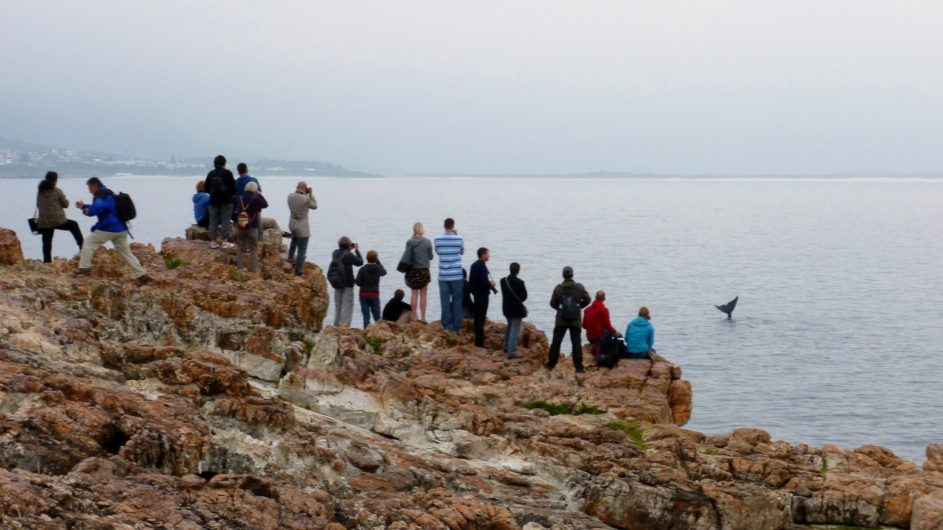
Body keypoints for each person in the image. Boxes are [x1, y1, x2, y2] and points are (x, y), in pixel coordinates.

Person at [74, 177, 150, 285]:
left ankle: (84, 268)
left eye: (90, 188)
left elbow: (97, 208)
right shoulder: (108, 193)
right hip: (121, 229)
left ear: (95, 186)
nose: (89, 190)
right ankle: (142, 275)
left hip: (109, 228)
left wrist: (87, 211)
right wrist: (84, 206)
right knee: (126, 253)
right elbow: (103, 207)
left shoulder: (101, 196)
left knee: (88, 243)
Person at [547, 266, 591, 373]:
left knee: (556, 342)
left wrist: (560, 309)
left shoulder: (558, 288)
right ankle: (578, 367)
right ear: (572, 275)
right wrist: (579, 307)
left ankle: (551, 365)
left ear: (563, 275)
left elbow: (552, 303)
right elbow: (588, 299)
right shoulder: (579, 288)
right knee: (576, 343)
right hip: (575, 320)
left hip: (561, 320)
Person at [35, 171, 83, 263]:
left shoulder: (40, 192)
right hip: (58, 221)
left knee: (47, 242)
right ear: (55, 180)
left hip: (44, 222)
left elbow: (38, 204)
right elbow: (65, 204)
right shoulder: (57, 191)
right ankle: (82, 246)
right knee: (74, 225)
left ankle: (47, 261)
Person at [433, 218, 464, 332]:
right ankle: (456, 327)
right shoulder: (459, 239)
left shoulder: (437, 240)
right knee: (457, 301)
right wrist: (456, 235)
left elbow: (438, 252)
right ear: (453, 226)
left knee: (444, 300)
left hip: (443, 275)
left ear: (444, 226)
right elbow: (461, 252)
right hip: (456, 275)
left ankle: (446, 326)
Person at [233, 182, 268, 272]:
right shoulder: (255, 199)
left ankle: (239, 268)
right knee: (253, 248)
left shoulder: (240, 198)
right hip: (253, 226)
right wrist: (260, 195)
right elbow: (265, 204)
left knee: (240, 247)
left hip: (241, 224)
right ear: (255, 189)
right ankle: (253, 268)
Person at [402, 222, 433, 322]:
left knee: (414, 293)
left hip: (413, 271)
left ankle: (414, 317)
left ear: (414, 230)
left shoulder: (409, 242)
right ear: (422, 230)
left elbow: (407, 257)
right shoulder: (427, 242)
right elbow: (431, 257)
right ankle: (423, 317)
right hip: (424, 270)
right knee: (423, 294)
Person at [205, 155, 237, 249]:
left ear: (214, 163)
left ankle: (212, 241)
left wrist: (212, 193)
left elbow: (206, 187)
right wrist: (229, 195)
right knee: (225, 221)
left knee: (213, 221)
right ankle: (224, 241)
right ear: (224, 163)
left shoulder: (211, 173)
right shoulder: (228, 173)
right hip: (226, 201)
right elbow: (233, 187)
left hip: (213, 201)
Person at [331, 236, 364, 327]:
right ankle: (344, 327)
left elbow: (344, 257)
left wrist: (349, 249)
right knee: (347, 305)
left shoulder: (335, 253)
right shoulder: (349, 255)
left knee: (338, 305)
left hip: (337, 282)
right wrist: (356, 250)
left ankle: (336, 325)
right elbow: (360, 262)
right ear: (348, 245)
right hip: (347, 283)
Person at [287, 181, 318, 276]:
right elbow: (315, 206)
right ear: (305, 188)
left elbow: (296, 195)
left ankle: (290, 258)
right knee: (302, 250)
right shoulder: (306, 199)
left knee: (294, 241)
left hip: (292, 225)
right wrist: (311, 194)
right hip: (302, 227)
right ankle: (299, 271)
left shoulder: (290, 196)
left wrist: (303, 191)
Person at [468, 247, 496, 348]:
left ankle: (477, 339)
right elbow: (484, 281)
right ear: (483, 255)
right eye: (487, 254)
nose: (489, 256)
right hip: (482, 295)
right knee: (481, 317)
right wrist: (491, 285)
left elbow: (471, 281)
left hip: (476, 295)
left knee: (477, 317)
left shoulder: (474, 265)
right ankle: (480, 342)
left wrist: (474, 292)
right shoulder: (482, 266)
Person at [500, 262, 528, 359]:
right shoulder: (520, 282)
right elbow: (524, 297)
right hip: (516, 309)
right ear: (518, 271)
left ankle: (506, 346)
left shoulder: (503, 281)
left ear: (510, 269)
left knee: (509, 326)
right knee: (515, 330)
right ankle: (512, 352)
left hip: (506, 308)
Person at [355, 250, 387, 328]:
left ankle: (366, 331)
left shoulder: (362, 269)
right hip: (374, 294)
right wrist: (378, 262)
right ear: (376, 259)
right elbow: (384, 272)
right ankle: (379, 332)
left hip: (363, 294)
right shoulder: (378, 268)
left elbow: (358, 283)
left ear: (366, 258)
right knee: (377, 316)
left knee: (366, 316)